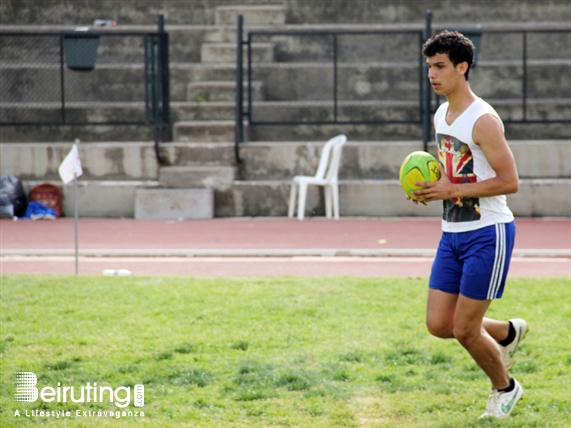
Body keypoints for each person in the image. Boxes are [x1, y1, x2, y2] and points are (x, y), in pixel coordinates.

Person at [412, 30, 528, 419]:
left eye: (440, 66)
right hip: (452, 234)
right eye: (429, 66)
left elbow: (509, 181)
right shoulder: (440, 114)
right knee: (438, 324)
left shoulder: (484, 120)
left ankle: (506, 389)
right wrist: (429, 189)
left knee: (463, 329)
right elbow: (454, 175)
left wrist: (450, 192)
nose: (432, 74)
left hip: (487, 234)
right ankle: (507, 333)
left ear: (462, 68)